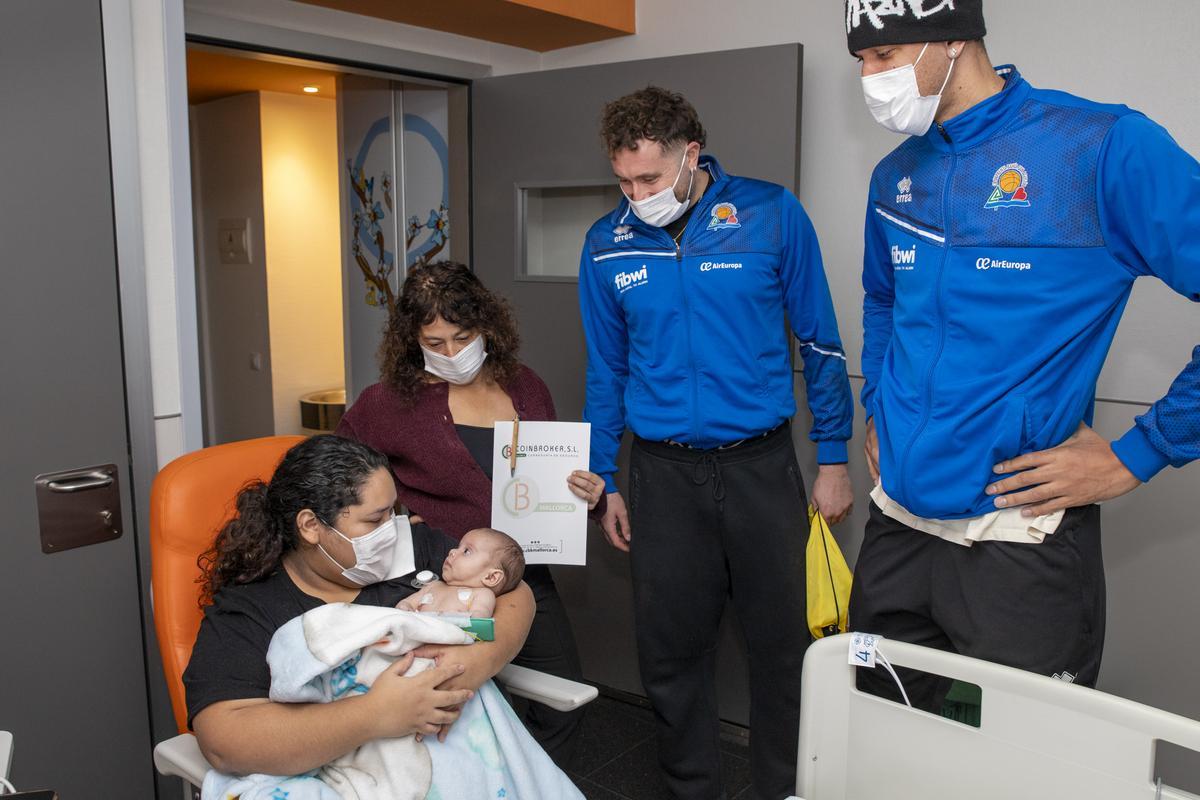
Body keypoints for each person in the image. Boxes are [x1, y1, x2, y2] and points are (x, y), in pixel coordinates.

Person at [846, 0, 1199, 705]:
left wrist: (1142, 452)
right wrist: (878, 406)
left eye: (884, 56)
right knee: (879, 743)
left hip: (1017, 536)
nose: (869, 77)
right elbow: (886, 301)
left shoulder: (1100, 148)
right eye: (860, 59)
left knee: (1014, 767)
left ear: (952, 36)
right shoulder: (895, 177)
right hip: (898, 526)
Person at [578, 86, 855, 799]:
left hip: (761, 467)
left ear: (690, 154)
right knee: (670, 655)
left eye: (650, 177)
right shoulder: (607, 245)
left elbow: (820, 342)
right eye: (624, 180)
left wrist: (833, 457)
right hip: (663, 475)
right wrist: (604, 474)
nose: (637, 194)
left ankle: (785, 789)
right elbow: (606, 367)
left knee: (786, 651)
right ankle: (690, 790)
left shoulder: (769, 213)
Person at [336, 260, 605, 766]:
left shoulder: (526, 386)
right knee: (455, 708)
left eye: (462, 338)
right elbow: (338, 477)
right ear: (411, 341)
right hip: (442, 583)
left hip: (523, 578)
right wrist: (389, 519)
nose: (452, 354)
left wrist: (586, 495)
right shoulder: (388, 403)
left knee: (564, 701)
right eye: (434, 344)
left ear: (487, 327)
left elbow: (547, 477)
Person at [183, 434, 536, 776]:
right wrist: (375, 714)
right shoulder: (252, 608)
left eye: (392, 512)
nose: (393, 529)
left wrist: (478, 659)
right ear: (310, 526)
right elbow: (223, 739)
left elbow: (516, 593)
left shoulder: (419, 551)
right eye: (374, 519)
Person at [399, 527, 526, 618]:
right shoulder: (433, 586)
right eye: (458, 546)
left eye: (467, 551)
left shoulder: (481, 595)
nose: (452, 551)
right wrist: (404, 609)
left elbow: (479, 619)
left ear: (491, 577)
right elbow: (406, 604)